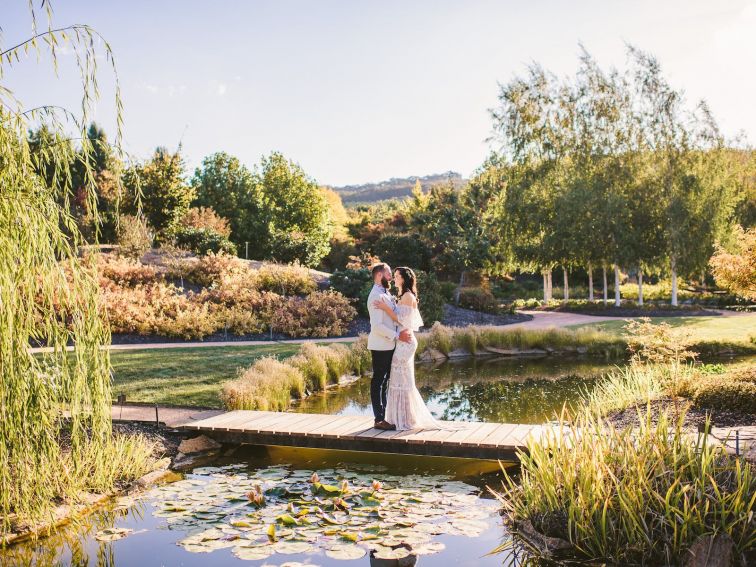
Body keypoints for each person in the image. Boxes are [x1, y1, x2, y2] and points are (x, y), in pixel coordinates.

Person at [372, 266, 444, 431]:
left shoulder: (407, 296)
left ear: (404, 279)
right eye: (394, 275)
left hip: (405, 342)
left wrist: (385, 308)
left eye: (396, 276)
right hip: (404, 341)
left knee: (401, 381)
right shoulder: (403, 296)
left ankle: (405, 419)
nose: (394, 278)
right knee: (401, 380)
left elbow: (401, 320)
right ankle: (404, 417)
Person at [367, 263, 411, 431]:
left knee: (384, 381)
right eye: (387, 274)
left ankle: (384, 416)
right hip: (380, 345)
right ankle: (378, 419)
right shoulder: (375, 296)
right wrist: (397, 335)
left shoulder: (385, 293)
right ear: (379, 276)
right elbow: (377, 326)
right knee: (378, 381)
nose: (390, 277)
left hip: (388, 344)